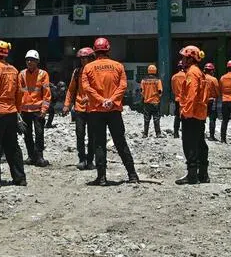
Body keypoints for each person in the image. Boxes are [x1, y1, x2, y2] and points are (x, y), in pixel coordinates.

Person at [80, 37, 139, 186]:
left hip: (96, 111)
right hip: (114, 110)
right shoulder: (118, 66)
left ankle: (101, 178)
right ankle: (132, 175)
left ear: (95, 51)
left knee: (99, 143)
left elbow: (87, 88)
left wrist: (101, 100)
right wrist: (111, 100)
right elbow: (123, 85)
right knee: (120, 142)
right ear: (108, 50)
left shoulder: (88, 68)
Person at [0, 40, 26, 187]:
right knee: (12, 146)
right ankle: (20, 178)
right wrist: (18, 110)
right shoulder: (14, 70)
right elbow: (20, 92)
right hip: (11, 112)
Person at [175, 44, 209, 184]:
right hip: (199, 114)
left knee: (190, 144)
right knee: (200, 143)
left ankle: (192, 175)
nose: (182, 60)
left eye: (184, 57)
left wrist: (186, 113)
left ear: (190, 58)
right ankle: (203, 174)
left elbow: (191, 95)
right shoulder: (198, 71)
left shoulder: (192, 73)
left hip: (192, 115)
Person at [63, 47, 95, 170]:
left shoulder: (95, 72)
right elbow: (71, 90)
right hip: (80, 108)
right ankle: (82, 159)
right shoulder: (77, 72)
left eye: (85, 58)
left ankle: (90, 160)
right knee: (80, 135)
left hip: (93, 109)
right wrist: (67, 104)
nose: (83, 60)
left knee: (92, 136)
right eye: (81, 58)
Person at [19, 50, 51, 167]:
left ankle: (39, 156)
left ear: (37, 61)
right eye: (27, 60)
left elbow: (47, 93)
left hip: (38, 110)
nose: (29, 62)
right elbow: (18, 92)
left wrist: (44, 109)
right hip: (25, 110)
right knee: (27, 134)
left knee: (39, 133)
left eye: (32, 60)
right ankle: (31, 156)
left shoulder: (43, 74)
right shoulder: (22, 74)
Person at [139, 64, 162, 137]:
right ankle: (158, 134)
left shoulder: (143, 81)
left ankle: (145, 134)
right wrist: (157, 97)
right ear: (155, 71)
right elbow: (160, 91)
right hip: (155, 102)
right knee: (156, 119)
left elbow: (141, 91)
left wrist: (145, 97)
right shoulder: (158, 80)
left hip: (147, 102)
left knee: (146, 119)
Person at [203, 62, 221, 141]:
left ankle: (201, 135)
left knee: (201, 119)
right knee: (212, 119)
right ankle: (211, 136)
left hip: (203, 101)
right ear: (211, 71)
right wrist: (217, 96)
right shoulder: (214, 79)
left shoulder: (201, 78)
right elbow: (217, 91)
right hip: (212, 101)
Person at [170, 64, 185, 138]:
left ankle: (176, 133)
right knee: (186, 117)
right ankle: (185, 134)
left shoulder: (174, 77)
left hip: (177, 99)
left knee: (177, 116)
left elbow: (173, 89)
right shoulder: (187, 75)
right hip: (186, 100)